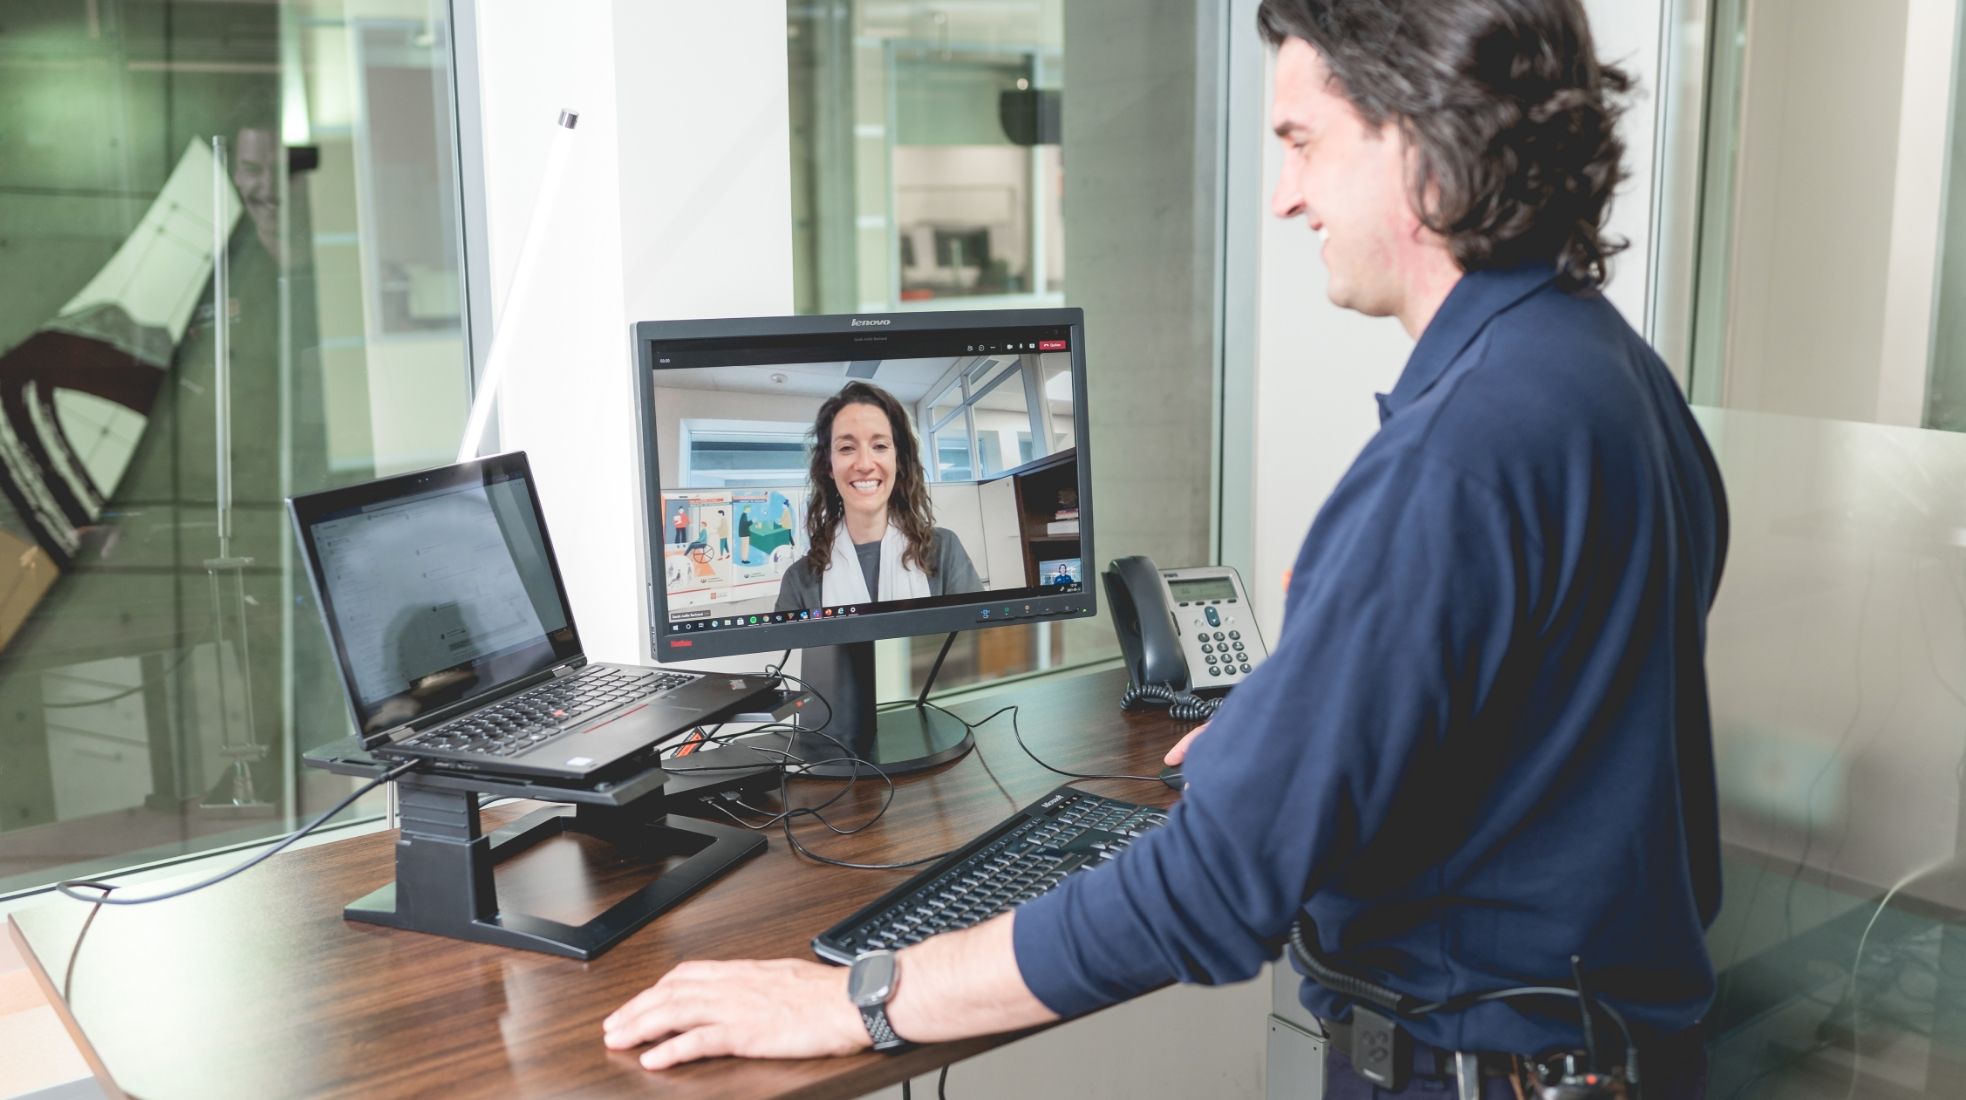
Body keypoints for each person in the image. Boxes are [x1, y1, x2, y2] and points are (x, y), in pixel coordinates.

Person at [602, 2, 1726, 1096]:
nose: (1283, 196)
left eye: (1301, 142)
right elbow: (1546, 696)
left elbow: (1210, 888)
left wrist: (857, 997)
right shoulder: (1613, 373)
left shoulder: (1453, 457)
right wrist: (1302, 720)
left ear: (1425, 134)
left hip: (1477, 1063)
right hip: (1613, 1045)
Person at [772, 380, 980, 612]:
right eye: (846, 448)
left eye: (880, 446)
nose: (864, 464)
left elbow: (977, 644)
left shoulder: (943, 552)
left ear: (897, 460)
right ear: (829, 466)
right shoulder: (800, 581)